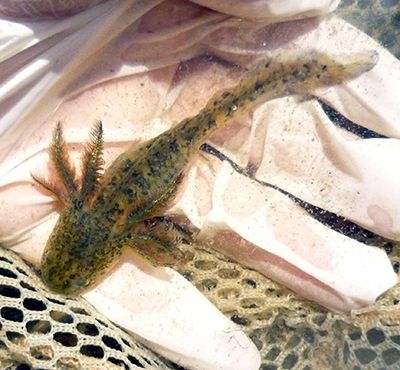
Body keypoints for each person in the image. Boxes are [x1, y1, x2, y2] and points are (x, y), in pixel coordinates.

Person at [0, 1, 399, 368]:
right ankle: (288, 78)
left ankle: (298, 75)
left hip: (165, 155)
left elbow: (159, 244)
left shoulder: (127, 231)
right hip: (160, 156)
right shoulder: (84, 195)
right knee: (210, 121)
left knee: (214, 122)